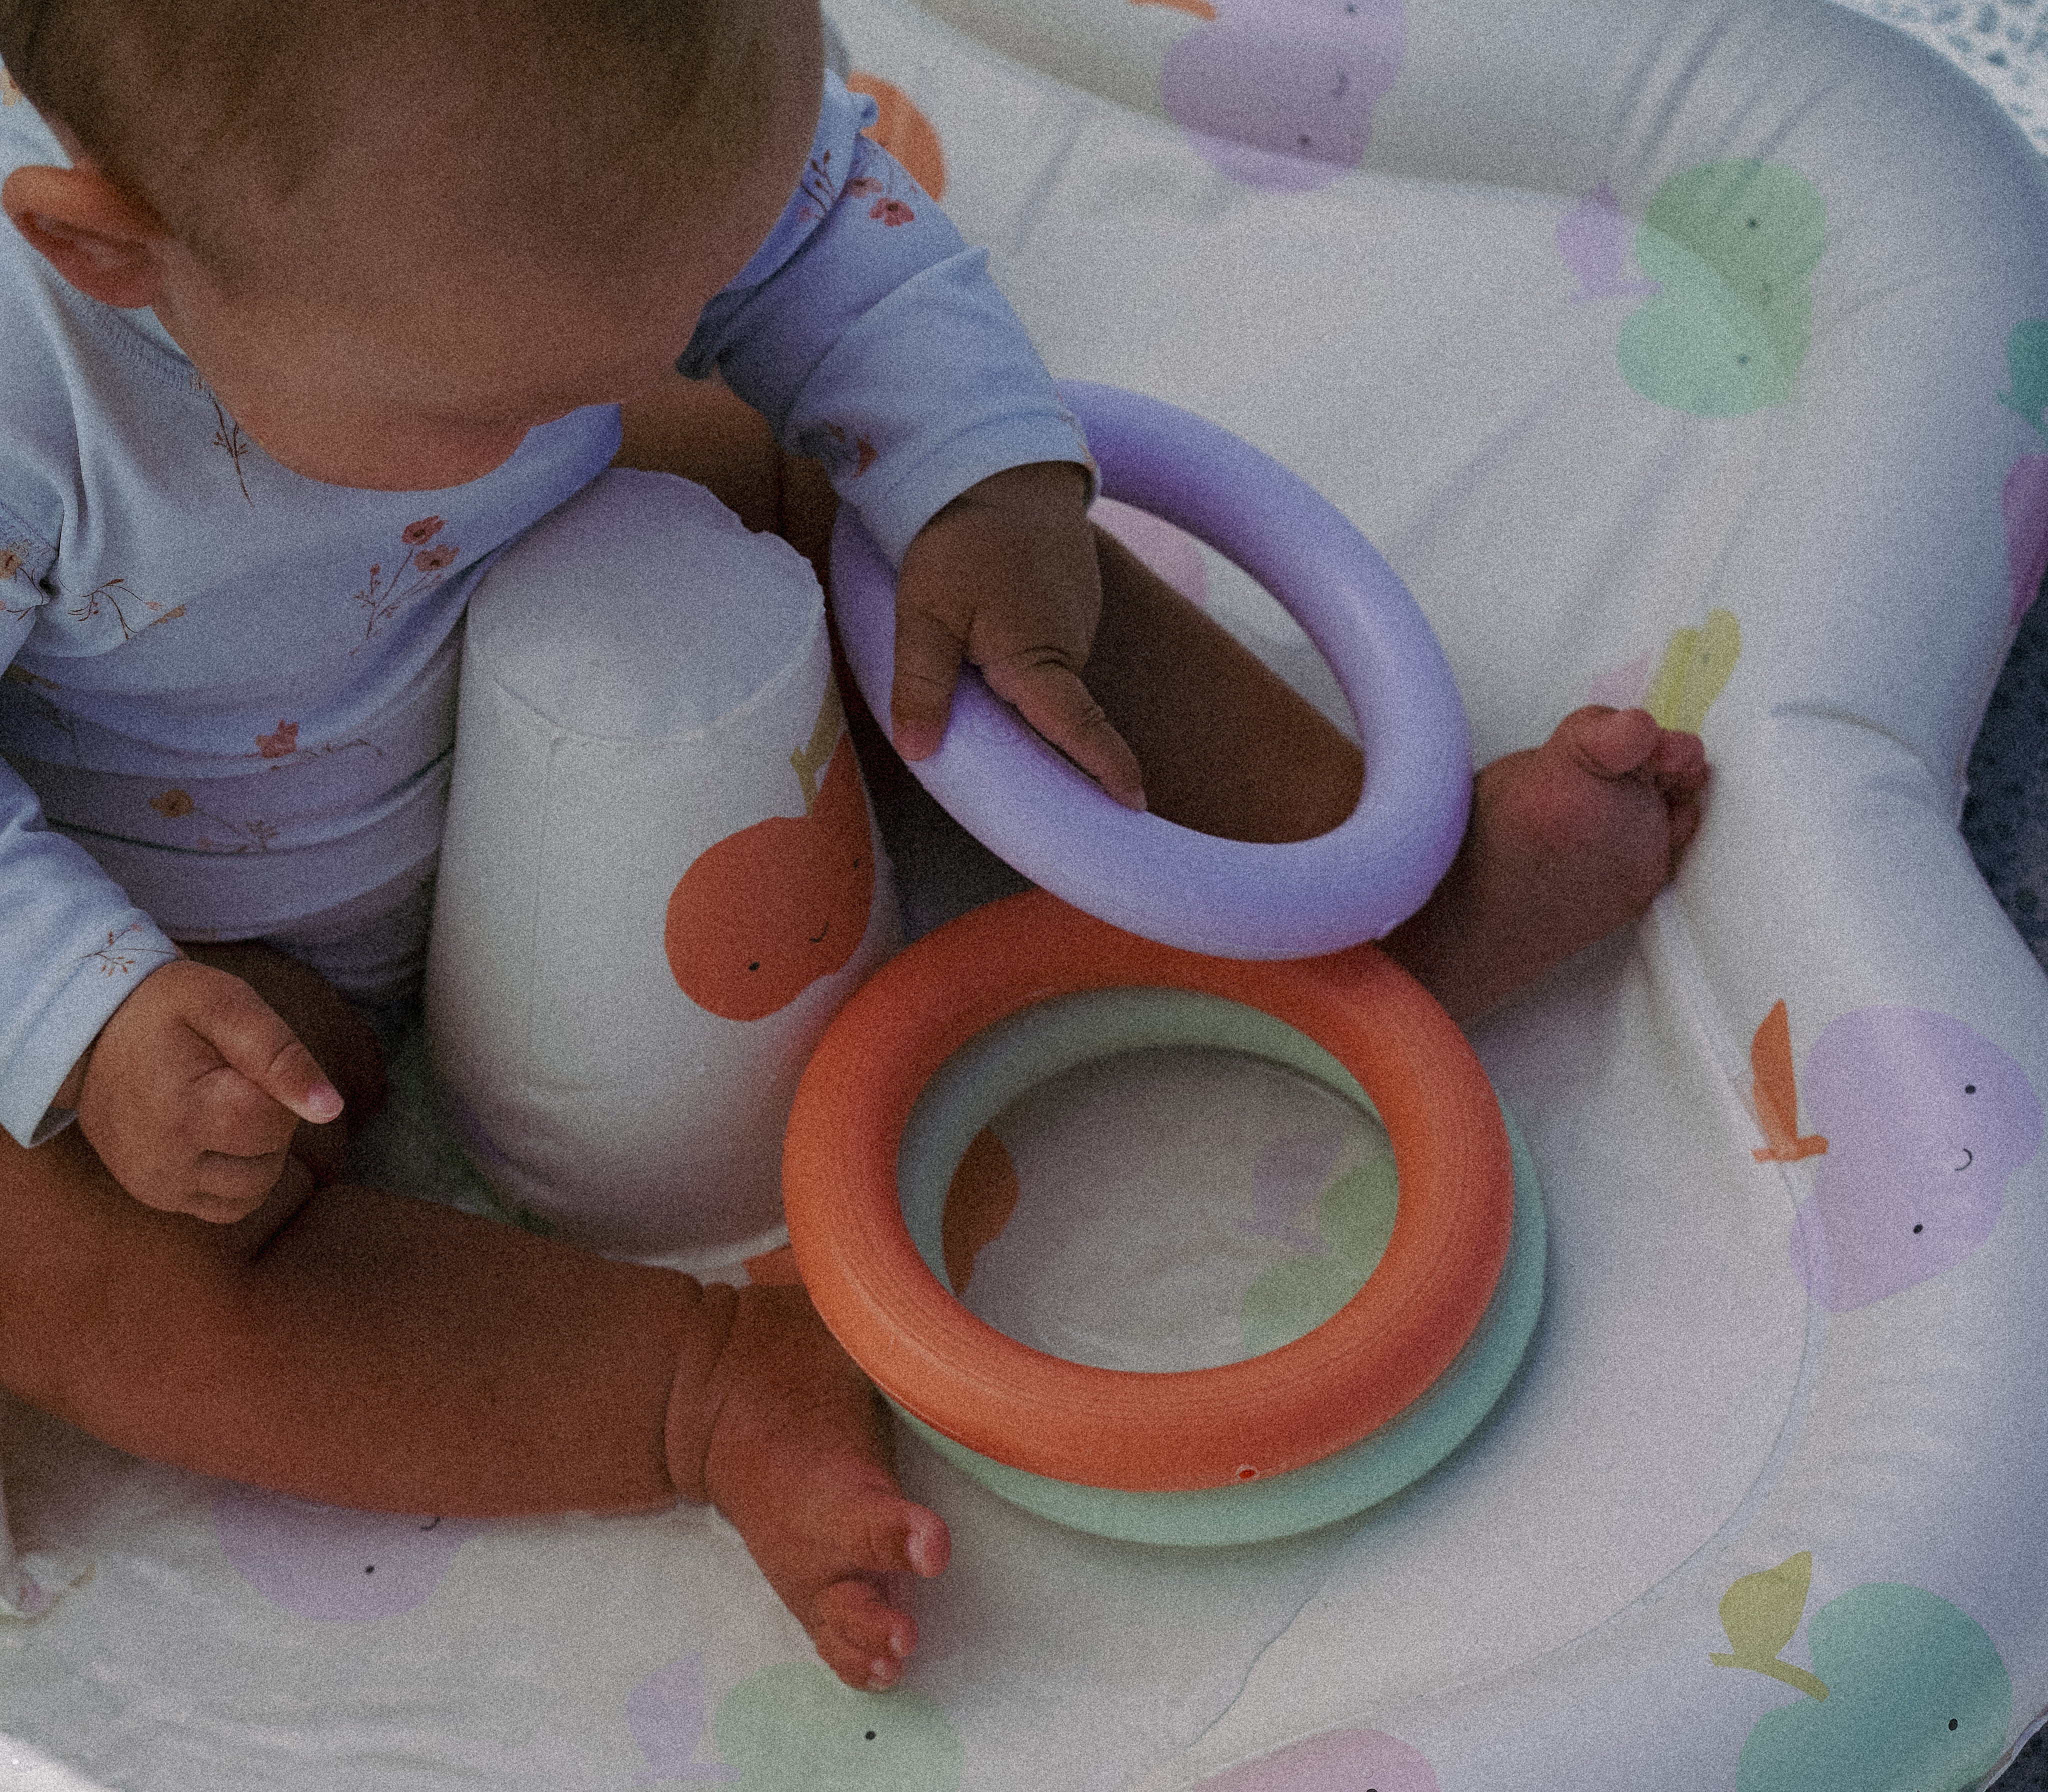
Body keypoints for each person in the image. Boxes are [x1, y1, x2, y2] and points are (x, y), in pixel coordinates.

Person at [0, 0, 1708, 1690]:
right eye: (497, 392)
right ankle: (703, 1391)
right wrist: (86, 1013)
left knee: (923, 525)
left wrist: (977, 473)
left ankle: (1349, 886)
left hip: (596, 585)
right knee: (55, 1262)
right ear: (116, 256)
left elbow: (830, 242)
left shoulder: (575, 149)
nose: (632, 362)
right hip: (197, 944)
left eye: (682, 299)